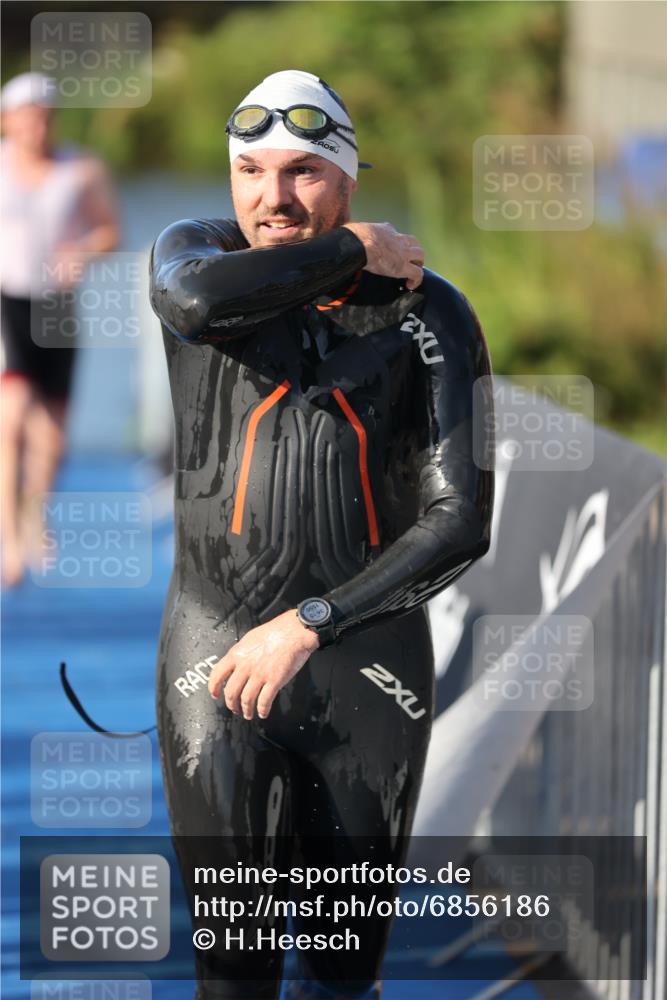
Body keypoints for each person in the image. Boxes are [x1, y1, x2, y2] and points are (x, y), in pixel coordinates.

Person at [149, 70, 494, 1000]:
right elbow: (194, 305)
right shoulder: (192, 259)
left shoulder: (430, 312)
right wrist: (351, 250)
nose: (273, 198)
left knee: (345, 974)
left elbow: (461, 522)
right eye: (250, 170)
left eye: (302, 170)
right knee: (235, 969)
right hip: (213, 662)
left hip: (367, 670)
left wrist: (309, 624)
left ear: (346, 176)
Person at [0, 71, 120, 587]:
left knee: (51, 430)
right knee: (12, 415)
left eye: (46, 118)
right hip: (8, 299)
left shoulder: (81, 169)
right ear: (8, 121)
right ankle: (8, 536)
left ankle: (35, 515)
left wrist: (84, 251)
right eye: (28, 118)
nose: (38, 128)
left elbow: (111, 230)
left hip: (56, 304)